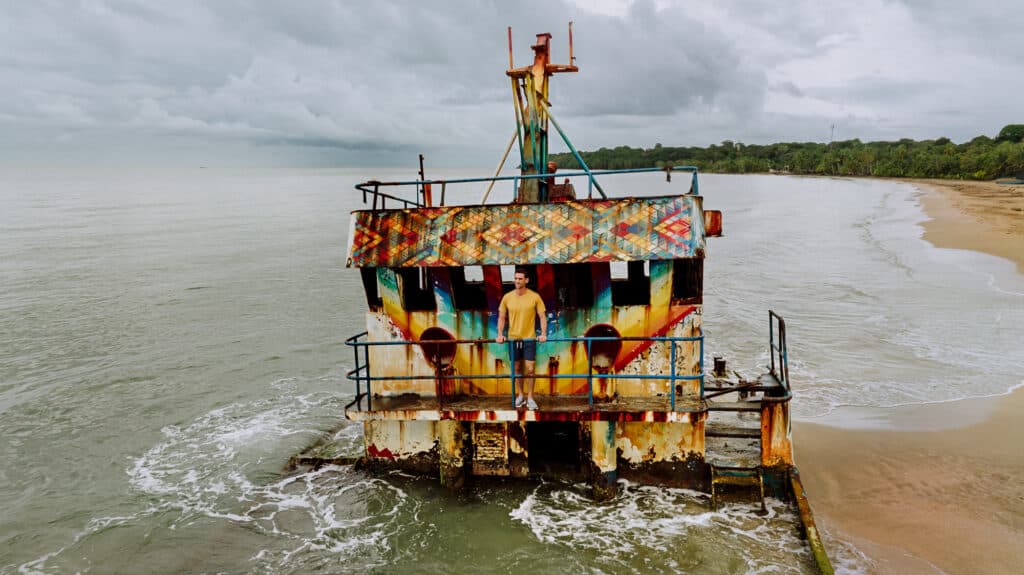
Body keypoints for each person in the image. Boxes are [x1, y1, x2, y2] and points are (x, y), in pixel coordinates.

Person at [496, 269, 547, 410]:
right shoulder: (507, 297)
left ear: (526, 280)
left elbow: (542, 316)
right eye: (515, 278)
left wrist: (543, 334)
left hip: (529, 339)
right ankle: (520, 395)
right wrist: (500, 334)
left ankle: (530, 397)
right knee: (517, 368)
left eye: (520, 278)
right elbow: (501, 317)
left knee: (530, 369)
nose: (517, 281)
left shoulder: (534, 297)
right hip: (513, 339)